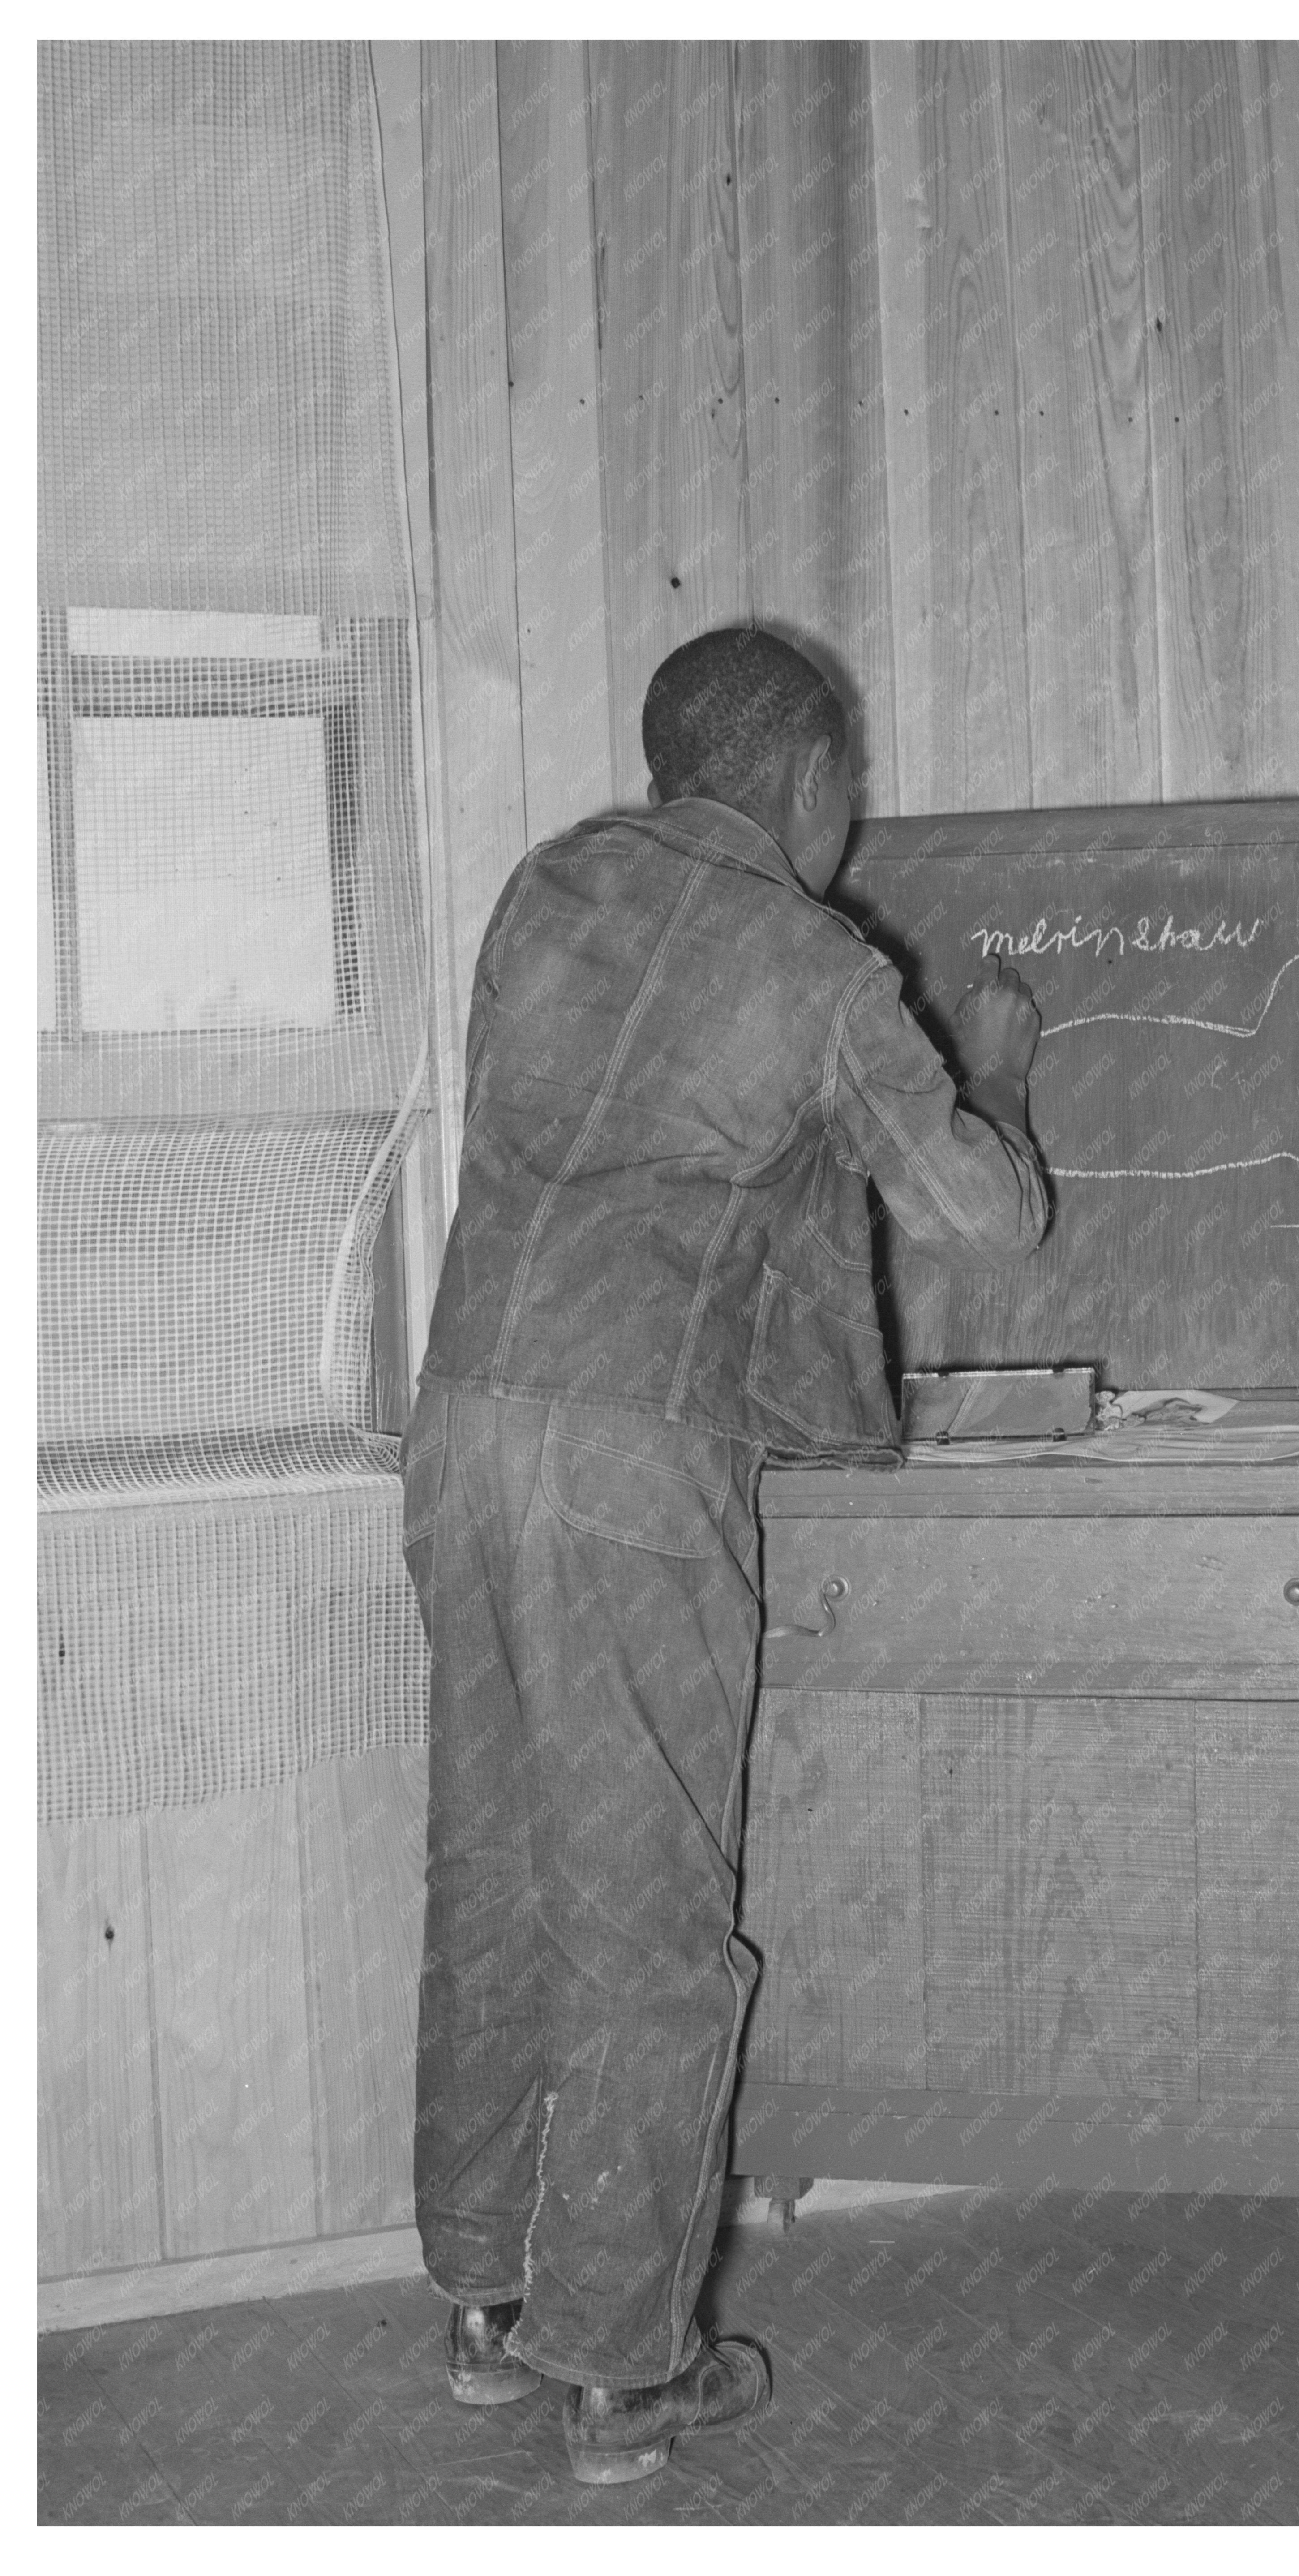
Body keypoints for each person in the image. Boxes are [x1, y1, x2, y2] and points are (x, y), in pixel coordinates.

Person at [399, 625, 1047, 2484]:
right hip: (624, 1458)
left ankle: (480, 2297)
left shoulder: (545, 894)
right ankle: (618, 2369)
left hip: (459, 1426)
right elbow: (978, 1219)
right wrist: (992, 1073)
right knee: (652, 1927)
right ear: (812, 781)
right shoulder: (817, 961)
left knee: (491, 1872)